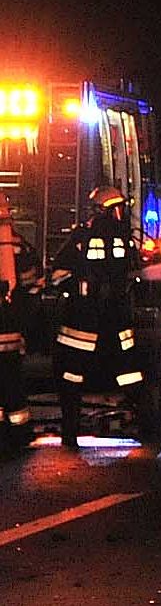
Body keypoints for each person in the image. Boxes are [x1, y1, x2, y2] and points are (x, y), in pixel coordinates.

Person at [52, 187, 161, 449]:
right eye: (116, 208)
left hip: (104, 321)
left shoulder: (122, 239)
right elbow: (58, 275)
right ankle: (71, 434)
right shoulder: (85, 238)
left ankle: (149, 427)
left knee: (127, 375)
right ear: (103, 210)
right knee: (76, 378)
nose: (120, 214)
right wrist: (84, 285)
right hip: (88, 322)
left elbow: (136, 274)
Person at [0, 191, 31, 454]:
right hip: (9, 331)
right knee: (12, 383)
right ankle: (18, 433)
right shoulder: (16, 244)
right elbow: (33, 278)